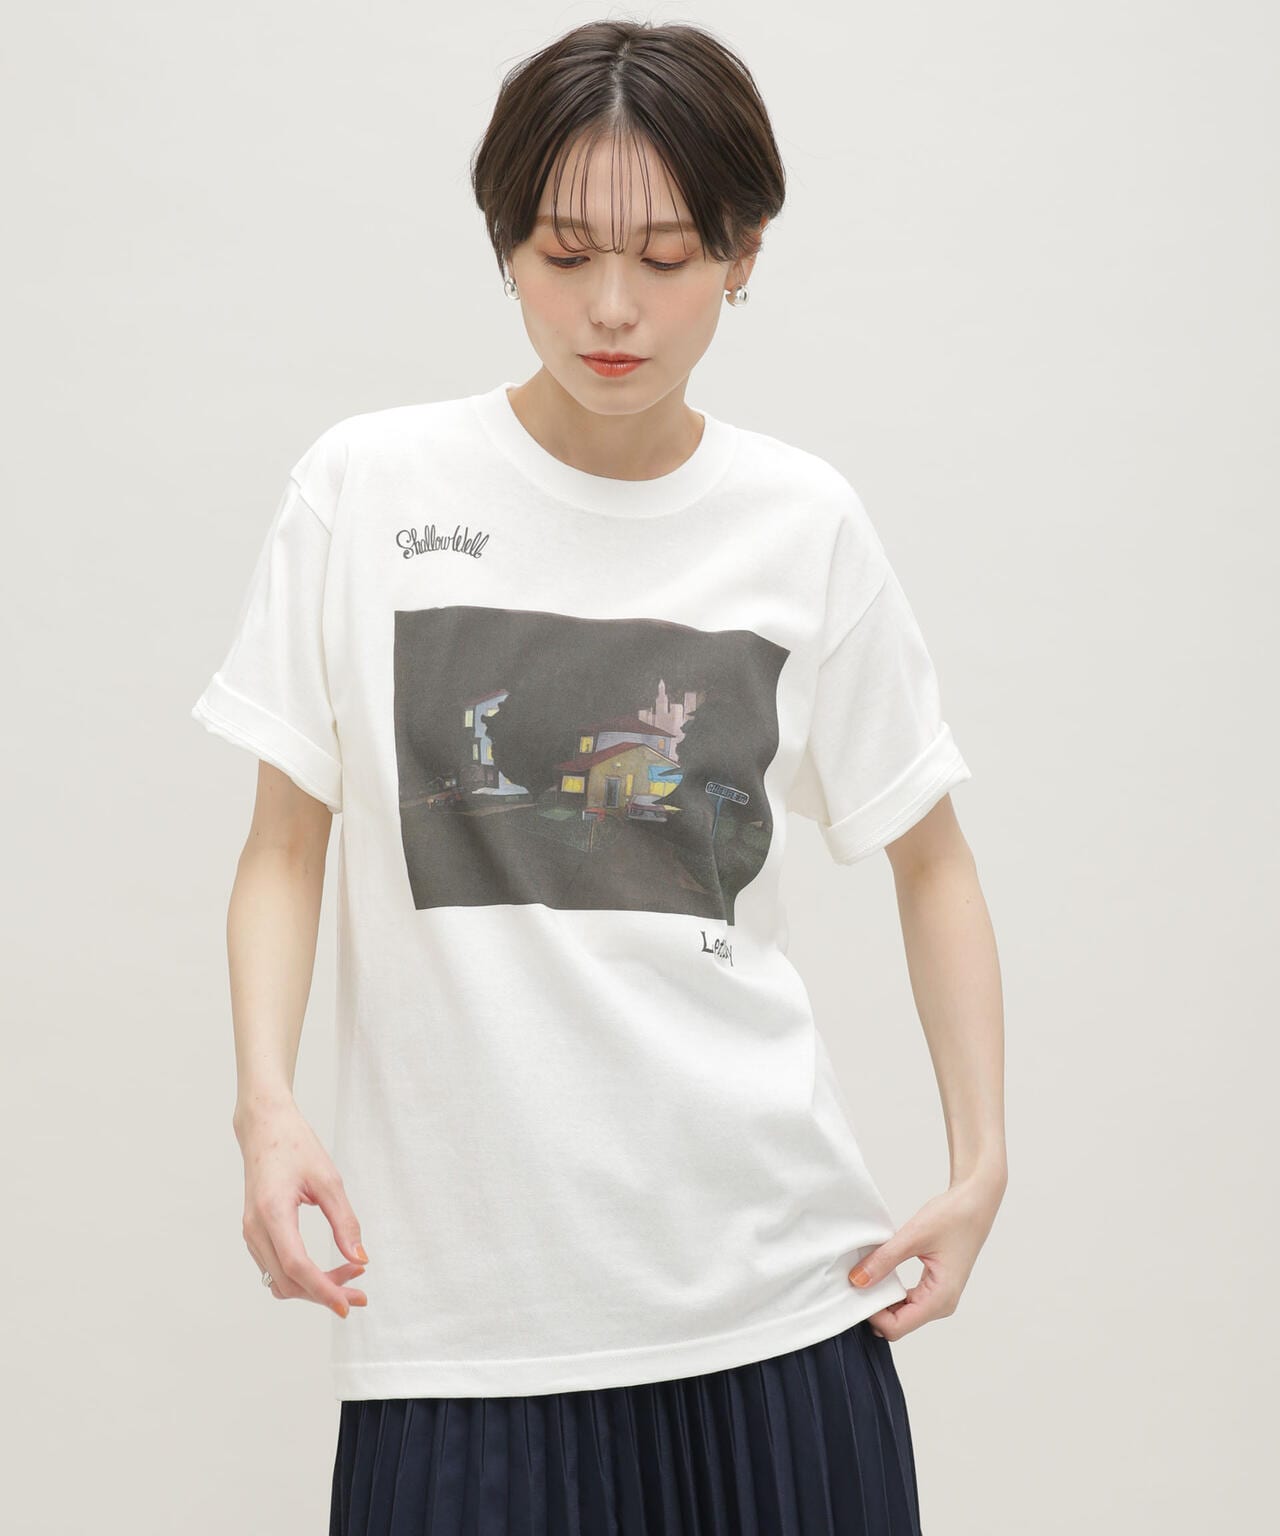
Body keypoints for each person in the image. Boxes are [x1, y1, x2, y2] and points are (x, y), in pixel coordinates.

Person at [190, 18, 1006, 1536]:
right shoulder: (364, 489)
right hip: (460, 1337)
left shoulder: (801, 522)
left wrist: (982, 1160)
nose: (613, 307)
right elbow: (285, 847)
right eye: (564, 255)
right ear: (506, 243)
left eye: (670, 257)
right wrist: (267, 1107)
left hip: (775, 1313)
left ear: (744, 254)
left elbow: (931, 852)